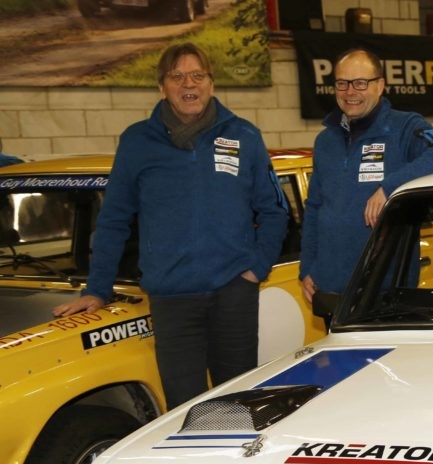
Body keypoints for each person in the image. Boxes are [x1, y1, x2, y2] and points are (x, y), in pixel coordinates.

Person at [53, 43, 289, 410]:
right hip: (172, 300)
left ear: (211, 83)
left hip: (233, 293)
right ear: (162, 87)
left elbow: (274, 209)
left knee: (238, 406)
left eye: (197, 75)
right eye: (177, 76)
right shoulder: (137, 142)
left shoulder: (244, 135)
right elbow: (114, 220)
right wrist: (97, 289)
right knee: (184, 409)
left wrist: (257, 267)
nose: (188, 84)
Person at [300, 47, 433, 302]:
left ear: (380, 85)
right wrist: (307, 268)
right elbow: (314, 208)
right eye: (342, 83)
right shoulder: (325, 140)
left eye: (361, 83)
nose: (350, 92)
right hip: (329, 286)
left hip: (384, 288)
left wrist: (389, 187)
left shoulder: (404, 127)